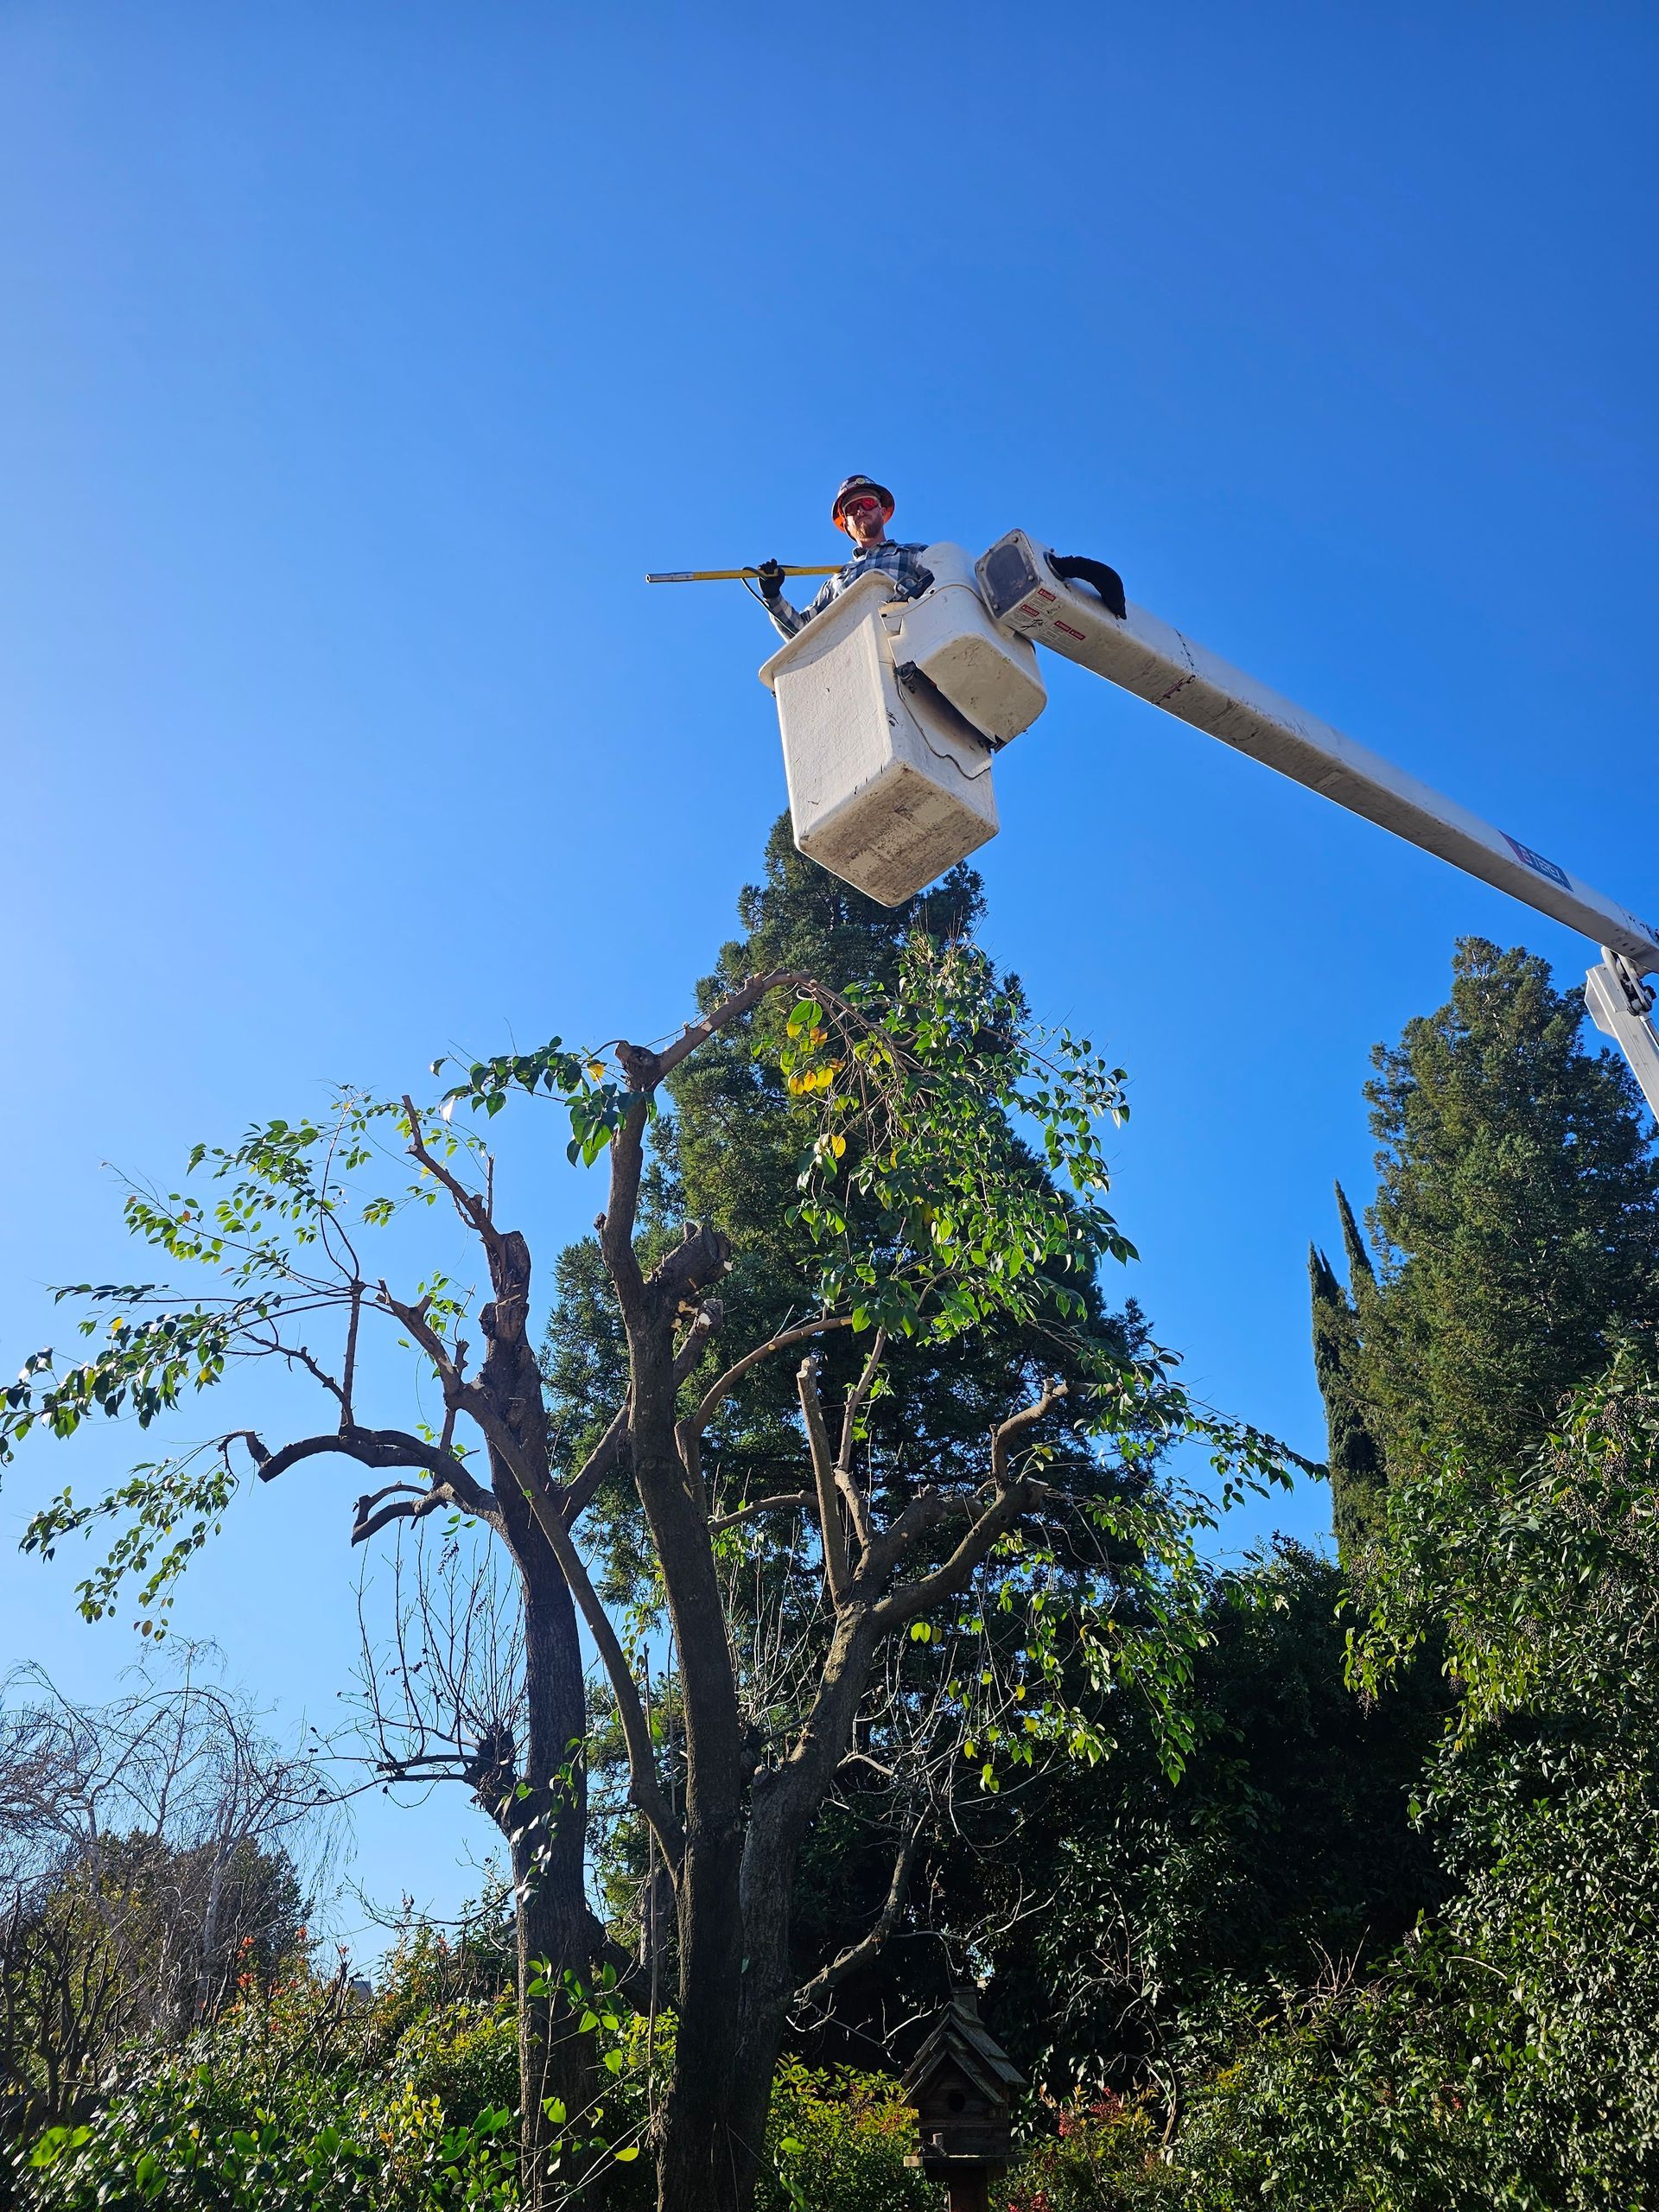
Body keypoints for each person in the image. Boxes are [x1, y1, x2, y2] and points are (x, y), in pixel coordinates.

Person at [758, 475, 933, 641]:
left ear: (882, 511)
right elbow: (803, 635)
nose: (860, 510)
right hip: (863, 662)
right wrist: (773, 596)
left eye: (867, 503)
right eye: (851, 508)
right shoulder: (835, 583)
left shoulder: (914, 553)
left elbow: (946, 589)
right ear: (847, 526)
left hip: (914, 653)